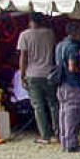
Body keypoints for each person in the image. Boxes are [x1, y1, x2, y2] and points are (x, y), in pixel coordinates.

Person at [17, 14, 59, 144]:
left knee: (38, 106)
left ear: (30, 22)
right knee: (53, 104)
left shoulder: (24, 35)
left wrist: (22, 75)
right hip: (49, 73)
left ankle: (45, 136)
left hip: (32, 74)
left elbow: (23, 58)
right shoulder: (50, 33)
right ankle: (58, 133)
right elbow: (53, 52)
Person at [54, 21, 80, 152]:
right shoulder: (72, 47)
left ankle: (64, 141)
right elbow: (71, 66)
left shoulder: (59, 45)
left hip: (61, 84)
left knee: (62, 113)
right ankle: (72, 144)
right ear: (74, 32)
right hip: (72, 83)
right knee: (72, 114)